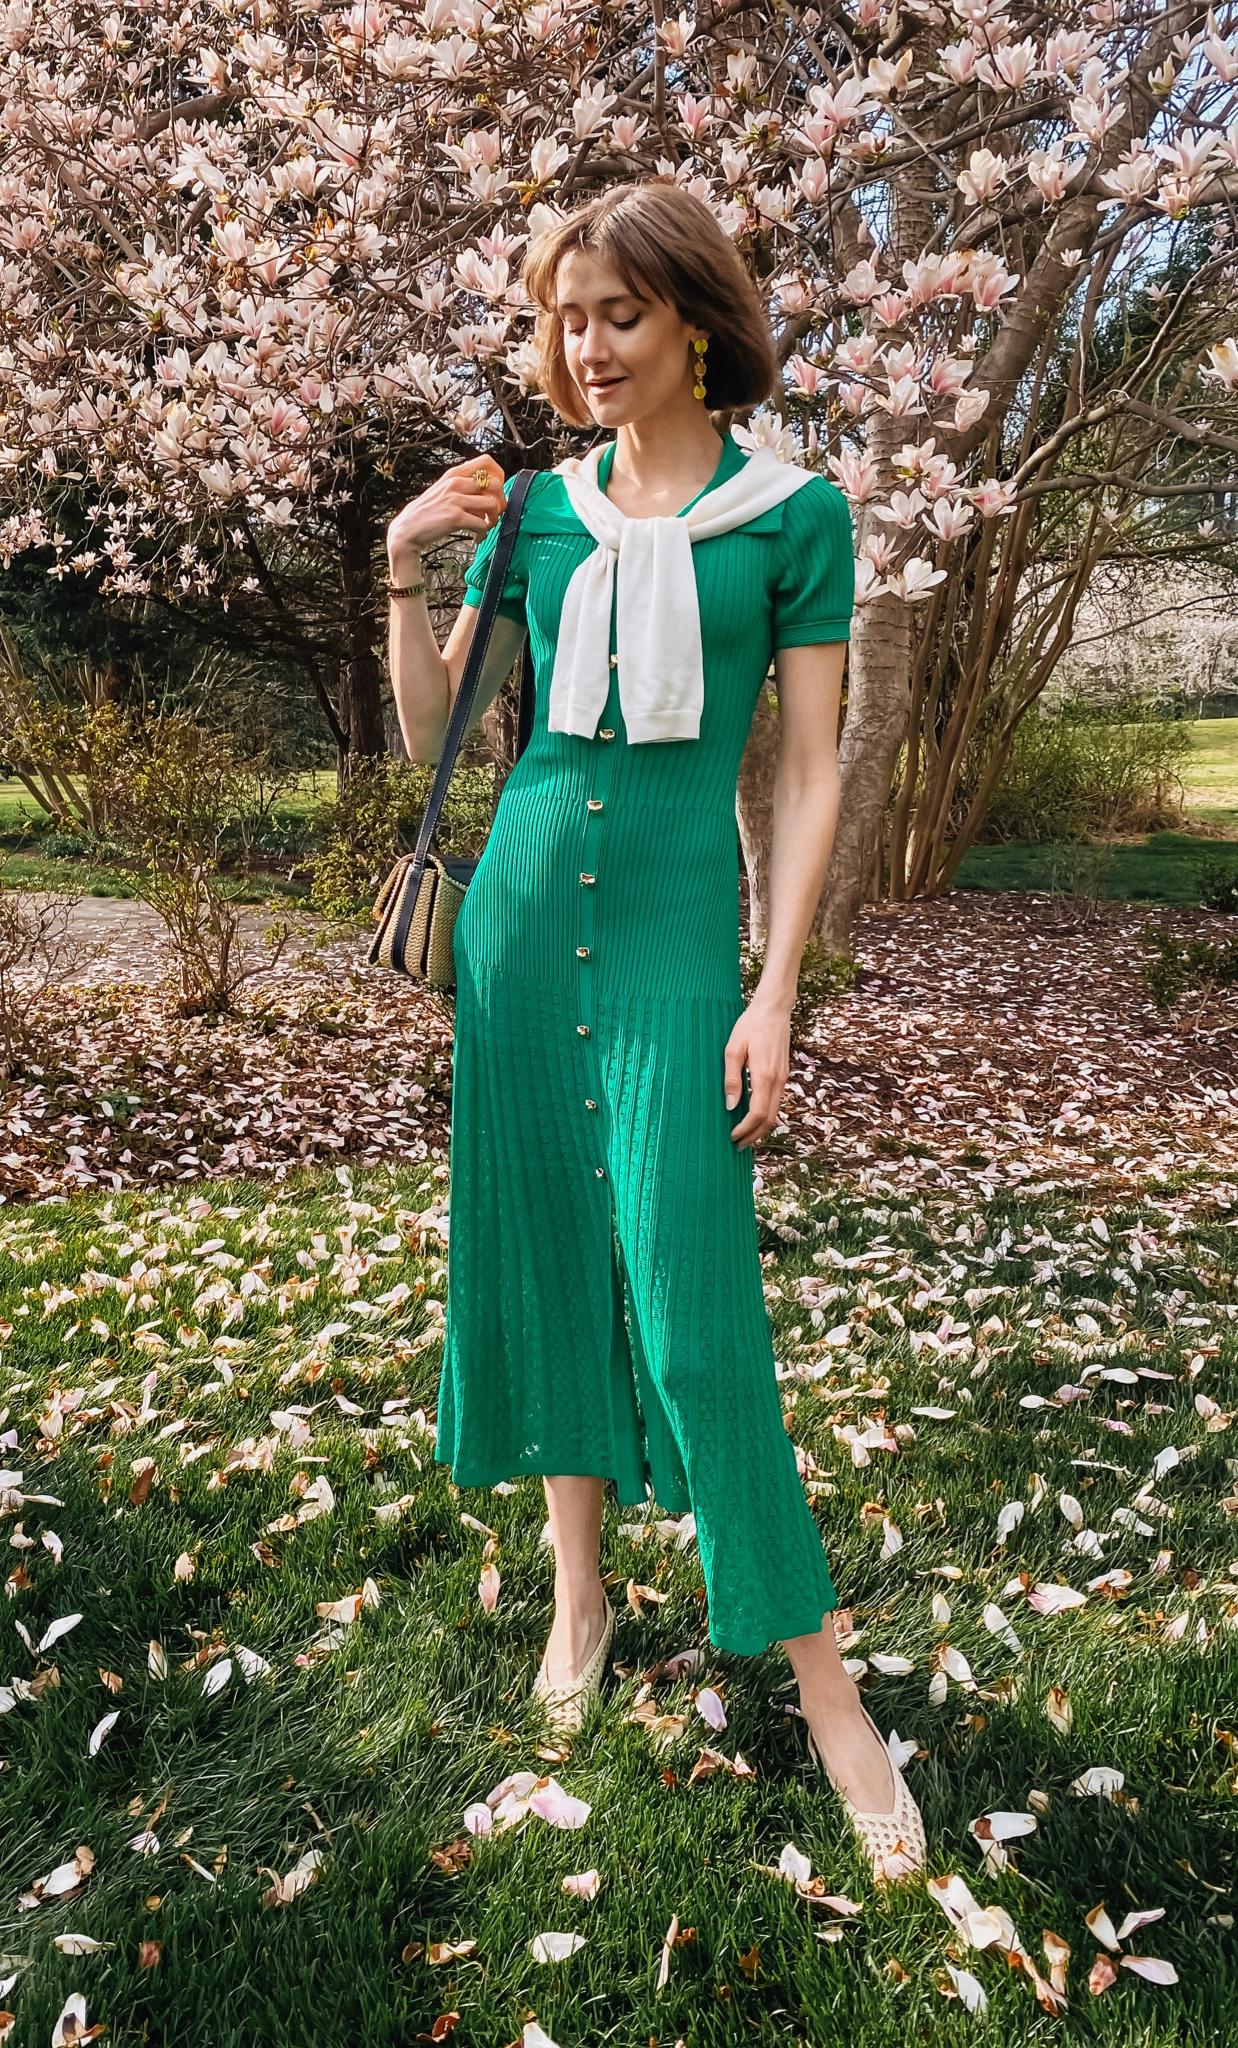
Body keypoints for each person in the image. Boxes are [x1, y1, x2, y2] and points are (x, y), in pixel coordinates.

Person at [382, 179, 924, 1883]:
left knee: (696, 1317)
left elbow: (815, 764)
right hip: (524, 932)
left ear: (696, 318)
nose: (586, 348)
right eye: (564, 318)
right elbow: (437, 744)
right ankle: (577, 1605)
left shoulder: (795, 514)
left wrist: (776, 987)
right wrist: (410, 570)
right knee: (547, 1259)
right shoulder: (530, 514)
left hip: (690, 940)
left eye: (619, 313)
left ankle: (830, 1700)